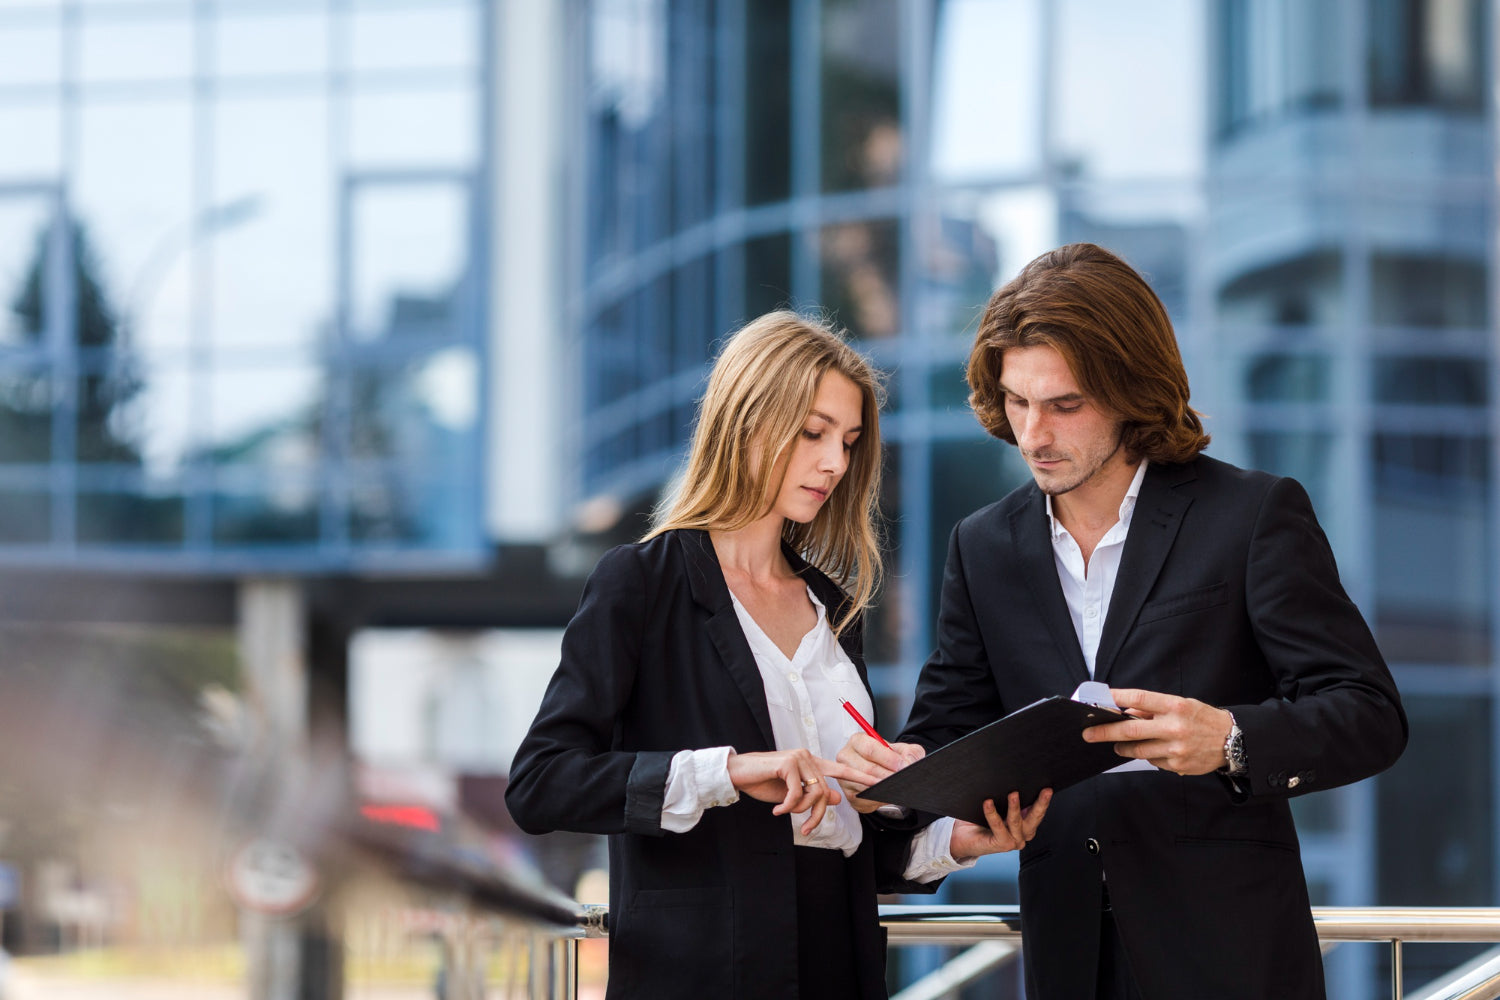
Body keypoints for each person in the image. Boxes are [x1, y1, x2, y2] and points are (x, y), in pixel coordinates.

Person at [840, 244, 1407, 1000]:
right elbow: (947, 734)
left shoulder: (1251, 516)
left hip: (1230, 960)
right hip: (1068, 957)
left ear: (1133, 390)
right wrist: (896, 779)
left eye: (1064, 404)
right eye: (1016, 401)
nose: (1033, 434)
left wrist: (1229, 740)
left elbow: (1370, 714)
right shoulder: (982, 547)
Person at [505, 311, 1042, 1000]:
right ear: (747, 421)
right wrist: (727, 771)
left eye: (848, 442)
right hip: (699, 974)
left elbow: (840, 842)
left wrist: (955, 840)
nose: (834, 462)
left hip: (838, 965)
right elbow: (541, 783)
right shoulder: (640, 583)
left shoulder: (833, 609)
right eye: (813, 432)